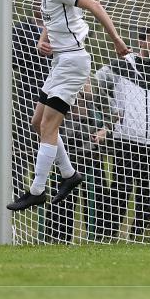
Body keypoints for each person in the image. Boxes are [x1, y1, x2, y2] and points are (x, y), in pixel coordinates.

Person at [7, 0, 129, 211]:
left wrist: (116, 39)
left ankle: (36, 190)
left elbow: (94, 5)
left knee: (49, 127)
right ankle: (69, 174)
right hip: (60, 62)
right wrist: (43, 39)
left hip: (73, 63)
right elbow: (57, 24)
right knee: (38, 123)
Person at [96, 26, 150, 241]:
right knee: (120, 191)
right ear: (141, 42)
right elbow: (93, 84)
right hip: (126, 139)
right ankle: (107, 235)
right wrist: (110, 113)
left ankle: (137, 236)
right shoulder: (121, 66)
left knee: (147, 194)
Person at [44, 81, 111, 243]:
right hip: (67, 156)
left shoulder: (96, 104)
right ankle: (58, 236)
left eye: (87, 81)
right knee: (63, 198)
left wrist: (103, 132)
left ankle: (99, 235)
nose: (85, 85)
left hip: (92, 157)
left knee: (98, 196)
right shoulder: (61, 99)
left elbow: (110, 121)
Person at [11, 0, 52, 199]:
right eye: (38, 1)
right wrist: (37, 49)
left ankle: (49, 186)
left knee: (52, 140)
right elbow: (14, 59)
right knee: (24, 144)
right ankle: (18, 190)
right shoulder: (21, 29)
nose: (42, 5)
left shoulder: (59, 27)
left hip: (56, 94)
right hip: (29, 95)